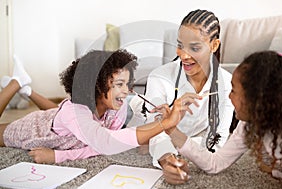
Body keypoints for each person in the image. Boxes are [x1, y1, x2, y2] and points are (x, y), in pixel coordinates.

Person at [0, 50, 200, 164]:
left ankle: (26, 90)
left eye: (127, 84)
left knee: (56, 111)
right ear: (95, 85)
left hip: (63, 122)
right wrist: (58, 156)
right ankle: (15, 84)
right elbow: (105, 142)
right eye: (119, 85)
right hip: (38, 129)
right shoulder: (75, 111)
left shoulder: (118, 108)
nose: (127, 91)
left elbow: (106, 145)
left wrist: (155, 122)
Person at [165, 51, 282, 189]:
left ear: (256, 99)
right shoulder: (249, 124)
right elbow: (216, 163)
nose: (229, 97)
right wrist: (171, 129)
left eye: (233, 90)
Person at [130, 9, 234, 169]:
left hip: (190, 136)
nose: (183, 55)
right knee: (133, 120)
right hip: (146, 123)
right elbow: (155, 131)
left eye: (195, 48)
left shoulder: (227, 84)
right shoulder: (160, 77)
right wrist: (166, 159)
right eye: (180, 46)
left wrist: (192, 149)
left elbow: (217, 140)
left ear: (214, 46)